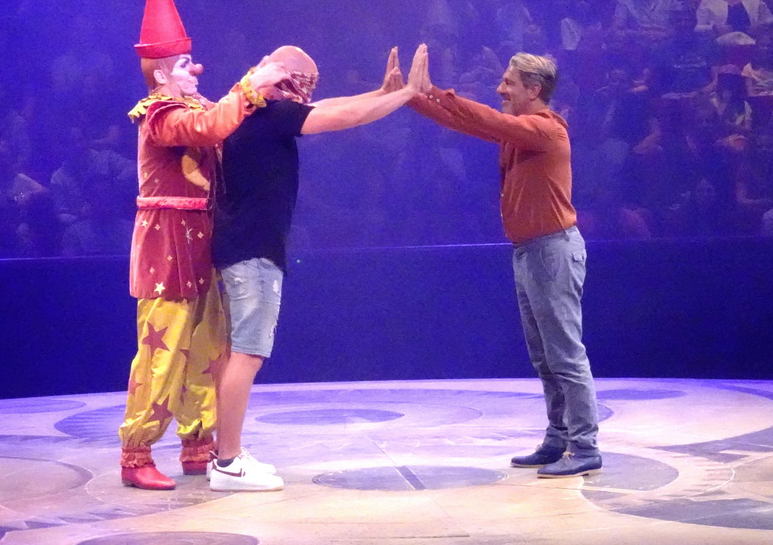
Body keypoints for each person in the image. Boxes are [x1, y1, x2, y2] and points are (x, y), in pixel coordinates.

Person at [208, 43, 425, 492]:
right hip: (254, 250)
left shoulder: (251, 113)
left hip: (238, 246)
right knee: (247, 354)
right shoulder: (270, 114)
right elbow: (340, 118)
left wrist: (379, 92)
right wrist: (404, 96)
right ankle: (227, 461)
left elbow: (328, 106)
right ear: (283, 79)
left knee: (235, 355)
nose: (306, 94)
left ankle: (225, 452)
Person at [118, 0, 288, 491]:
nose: (197, 69)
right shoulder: (161, 113)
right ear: (165, 71)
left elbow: (225, 122)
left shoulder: (197, 103)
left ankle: (199, 441)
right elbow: (209, 127)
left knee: (209, 348)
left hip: (203, 245)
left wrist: (262, 91)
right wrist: (249, 86)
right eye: (187, 64)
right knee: (163, 351)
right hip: (167, 247)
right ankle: (137, 451)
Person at [409, 49, 601, 478]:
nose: (500, 89)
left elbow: (490, 121)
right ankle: (558, 437)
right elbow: (469, 122)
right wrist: (410, 98)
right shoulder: (521, 133)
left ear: (534, 90)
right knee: (545, 358)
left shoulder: (545, 130)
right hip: (531, 252)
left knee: (565, 356)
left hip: (552, 250)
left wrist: (435, 90)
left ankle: (585, 445)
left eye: (509, 83)